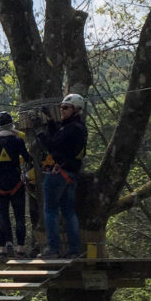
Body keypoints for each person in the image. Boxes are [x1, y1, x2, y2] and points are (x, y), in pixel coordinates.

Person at [36, 93, 88, 259]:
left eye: (65, 108)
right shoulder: (76, 127)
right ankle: (73, 250)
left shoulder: (73, 129)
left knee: (50, 210)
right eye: (61, 107)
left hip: (58, 174)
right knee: (68, 211)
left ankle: (53, 248)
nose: (62, 110)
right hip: (70, 174)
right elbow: (59, 133)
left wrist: (40, 133)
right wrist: (50, 121)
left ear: (76, 109)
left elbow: (53, 144)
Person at [0, 111, 33, 259]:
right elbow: (27, 158)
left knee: (2, 216)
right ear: (11, 124)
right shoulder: (17, 141)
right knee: (19, 217)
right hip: (15, 182)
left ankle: (2, 249)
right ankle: (20, 249)